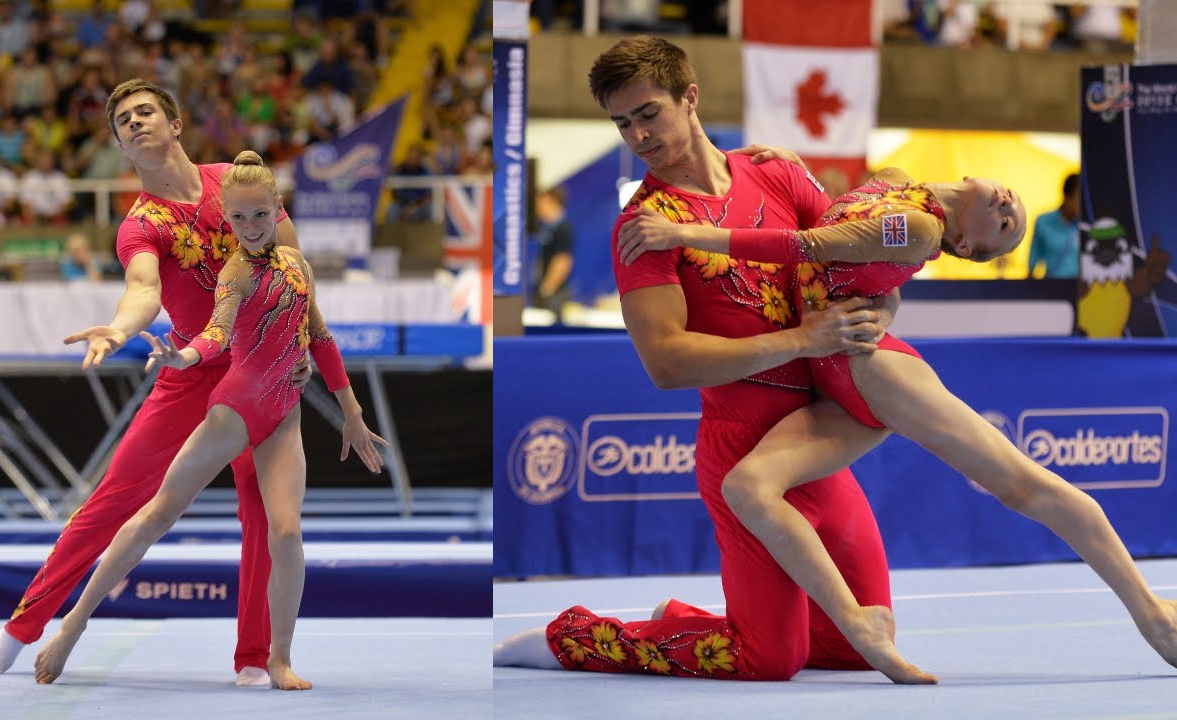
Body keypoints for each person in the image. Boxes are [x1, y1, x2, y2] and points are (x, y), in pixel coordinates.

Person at [615, 165, 1177, 683]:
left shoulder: (922, 230)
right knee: (747, 486)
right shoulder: (894, 180)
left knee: (1022, 485)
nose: (1009, 208)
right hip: (831, 383)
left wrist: (683, 234)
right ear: (971, 177)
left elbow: (806, 245)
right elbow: (852, 243)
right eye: (1011, 205)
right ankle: (809, 622)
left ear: (963, 246)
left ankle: (1152, 615)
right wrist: (788, 160)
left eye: (1007, 227)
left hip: (875, 373)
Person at [494, 35, 895, 682]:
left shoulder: (778, 174)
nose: (638, 135)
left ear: (690, 97)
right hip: (741, 447)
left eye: (648, 113)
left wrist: (879, 310)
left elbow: (862, 264)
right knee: (770, 658)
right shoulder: (644, 227)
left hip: (815, 442)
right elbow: (667, 364)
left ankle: (686, 619)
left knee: (858, 644)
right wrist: (804, 340)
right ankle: (574, 637)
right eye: (622, 123)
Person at [0, 79, 302, 687]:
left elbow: (292, 262)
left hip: (256, 367)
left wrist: (299, 337)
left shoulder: (233, 183)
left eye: (145, 111)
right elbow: (144, 291)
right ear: (122, 148)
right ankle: (25, 625)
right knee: (114, 497)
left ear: (175, 124)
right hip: (188, 365)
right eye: (123, 121)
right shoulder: (140, 226)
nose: (134, 121)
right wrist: (121, 328)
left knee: (262, 508)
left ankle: (254, 655)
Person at [33, 151, 388, 689]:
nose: (250, 227)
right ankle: (73, 624)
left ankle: (279, 659)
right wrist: (183, 358)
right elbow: (216, 334)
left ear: (277, 210)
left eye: (260, 215)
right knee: (158, 514)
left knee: (286, 531)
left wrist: (352, 414)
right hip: (236, 410)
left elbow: (320, 337)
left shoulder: (298, 265)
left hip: (283, 417)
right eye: (238, 218)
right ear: (227, 218)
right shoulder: (235, 273)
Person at [530, 187, 574, 317]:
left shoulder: (562, 228)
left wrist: (548, 288)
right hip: (545, 290)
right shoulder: (546, 227)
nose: (538, 208)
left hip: (554, 294)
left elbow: (563, 260)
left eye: (541, 203)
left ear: (552, 202)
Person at [1028, 172, 1080, 280]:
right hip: (1052, 285)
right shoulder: (1043, 221)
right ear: (1067, 196)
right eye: (1079, 198)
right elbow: (1032, 263)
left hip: (1079, 287)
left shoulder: (1086, 226)